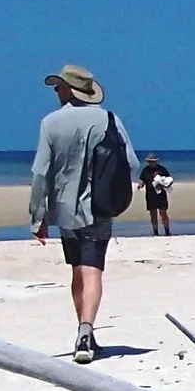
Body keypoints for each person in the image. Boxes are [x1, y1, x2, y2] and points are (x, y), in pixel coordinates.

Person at [27, 64, 140, 363]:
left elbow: (41, 173)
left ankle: (84, 331)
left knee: (78, 269)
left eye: (58, 87)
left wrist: (38, 217)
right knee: (92, 269)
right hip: (100, 207)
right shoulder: (109, 119)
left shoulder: (50, 123)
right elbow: (131, 164)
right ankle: (86, 331)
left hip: (65, 210)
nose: (55, 92)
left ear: (67, 90)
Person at [142, 154, 175, 235]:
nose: (151, 163)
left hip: (161, 195)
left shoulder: (162, 169)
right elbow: (141, 179)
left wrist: (165, 183)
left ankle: (167, 231)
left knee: (163, 213)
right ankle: (155, 232)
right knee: (153, 214)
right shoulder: (145, 170)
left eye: (152, 162)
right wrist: (140, 184)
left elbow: (169, 179)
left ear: (156, 161)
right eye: (149, 162)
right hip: (150, 195)